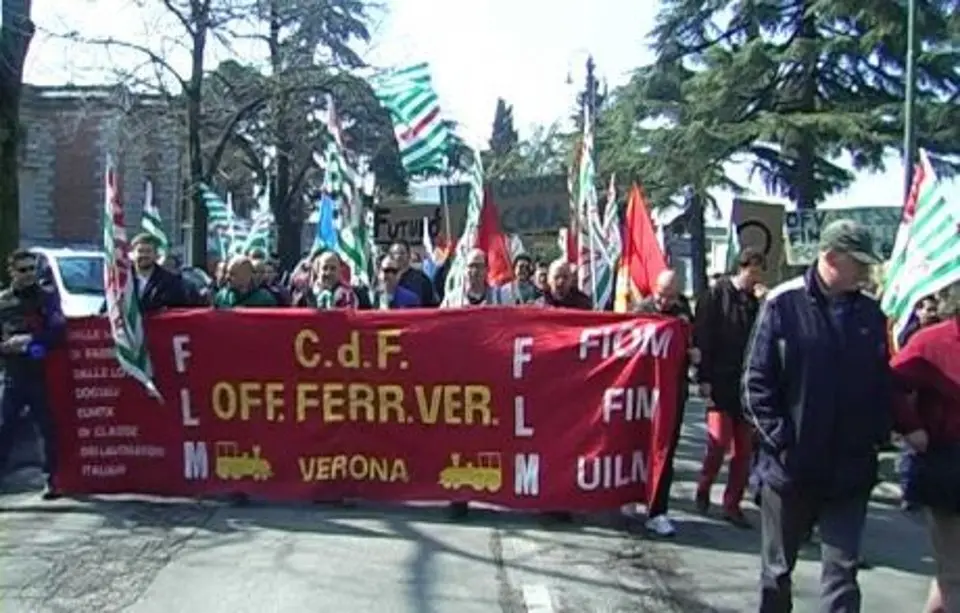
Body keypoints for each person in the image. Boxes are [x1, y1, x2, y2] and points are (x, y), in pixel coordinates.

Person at [743, 219, 890, 613]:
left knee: (842, 574)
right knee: (777, 573)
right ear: (830, 257)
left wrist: (878, 435)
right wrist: (782, 442)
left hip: (850, 469)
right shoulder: (782, 303)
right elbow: (756, 383)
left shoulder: (870, 315)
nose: (865, 272)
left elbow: (880, 383)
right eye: (857, 263)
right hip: (790, 469)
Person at [889, 281, 960, 613]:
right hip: (949, 467)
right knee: (955, 570)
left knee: (951, 574)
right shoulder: (932, 341)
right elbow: (890, 385)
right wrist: (911, 426)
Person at [693, 248, 764, 528]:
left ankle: (732, 504)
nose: (756, 278)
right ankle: (704, 486)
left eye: (760, 273)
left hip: (745, 387)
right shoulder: (716, 296)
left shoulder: (755, 302)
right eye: (752, 272)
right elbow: (704, 336)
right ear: (741, 269)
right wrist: (703, 378)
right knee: (719, 442)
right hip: (719, 382)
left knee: (744, 451)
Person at [0, 249, 67, 499]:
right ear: (12, 272)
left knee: (46, 428)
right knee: (5, 428)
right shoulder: (3, 300)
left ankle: (51, 480)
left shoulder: (47, 297)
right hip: (12, 375)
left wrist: (32, 343)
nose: (29, 275)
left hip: (40, 375)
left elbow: (58, 333)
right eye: (23, 270)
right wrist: (5, 347)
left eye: (32, 269)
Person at [633, 269, 694, 536]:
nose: (664, 303)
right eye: (661, 295)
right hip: (641, 395)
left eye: (670, 297)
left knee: (665, 451)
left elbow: (692, 343)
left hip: (672, 393)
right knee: (635, 447)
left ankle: (658, 511)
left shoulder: (683, 313)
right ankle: (629, 496)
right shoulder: (641, 311)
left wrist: (694, 354)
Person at [130, 233, 189, 312]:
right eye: (140, 251)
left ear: (156, 255)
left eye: (148, 251)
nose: (144, 255)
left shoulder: (171, 282)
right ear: (132, 254)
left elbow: (180, 311)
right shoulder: (123, 281)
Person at [440, 249, 517, 307]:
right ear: (464, 270)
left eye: (479, 266)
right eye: (471, 266)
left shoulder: (500, 298)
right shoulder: (452, 300)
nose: (475, 270)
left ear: (487, 269)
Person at [293, 251, 359, 309]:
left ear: (339, 271)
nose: (328, 272)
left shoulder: (348, 296)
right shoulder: (304, 295)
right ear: (318, 270)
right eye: (325, 268)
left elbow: (349, 318)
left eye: (333, 268)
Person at [213, 256, 278, 308]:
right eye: (227, 273)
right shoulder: (221, 297)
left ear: (246, 275)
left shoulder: (264, 299)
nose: (227, 277)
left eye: (232, 274)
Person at [389, 240, 437, 306]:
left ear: (409, 255)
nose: (398, 256)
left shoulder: (421, 279)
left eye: (402, 253)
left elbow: (432, 305)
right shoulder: (384, 278)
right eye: (395, 253)